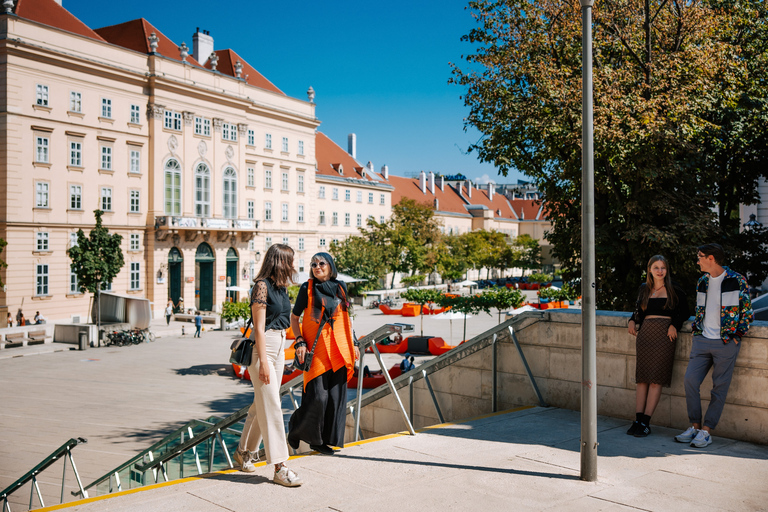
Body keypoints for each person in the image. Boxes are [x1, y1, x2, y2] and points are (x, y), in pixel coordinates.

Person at [233, 243, 302, 487]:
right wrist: (262, 361)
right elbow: (259, 329)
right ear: (280, 261)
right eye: (290, 260)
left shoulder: (281, 288)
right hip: (263, 349)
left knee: (261, 403)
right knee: (272, 404)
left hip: (280, 347)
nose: (293, 265)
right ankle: (280, 467)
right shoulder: (261, 287)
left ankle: (243, 453)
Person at [675, 244, 753, 448]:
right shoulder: (702, 281)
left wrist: (737, 334)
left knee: (719, 389)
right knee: (690, 381)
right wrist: (696, 330)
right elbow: (700, 309)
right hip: (702, 341)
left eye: (700, 257)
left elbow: (747, 311)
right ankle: (695, 427)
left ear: (711, 258)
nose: (697, 261)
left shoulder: (737, 280)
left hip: (726, 342)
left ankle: (707, 431)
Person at [288, 252, 359, 456]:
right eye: (313, 264)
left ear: (330, 266)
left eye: (321, 263)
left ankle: (323, 441)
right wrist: (299, 341)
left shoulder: (341, 287)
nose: (316, 267)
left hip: (340, 348)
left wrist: (353, 342)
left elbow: (347, 317)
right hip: (317, 349)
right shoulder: (307, 288)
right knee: (318, 397)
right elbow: (294, 318)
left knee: (336, 398)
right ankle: (297, 427)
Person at [627, 255, 689, 437]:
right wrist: (632, 320)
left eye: (663, 267)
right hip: (645, 335)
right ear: (650, 270)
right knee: (642, 379)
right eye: (656, 267)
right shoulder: (644, 289)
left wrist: (674, 325)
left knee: (656, 379)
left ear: (667, 270)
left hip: (665, 336)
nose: (660, 271)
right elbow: (639, 312)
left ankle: (646, 422)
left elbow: (685, 311)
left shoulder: (674, 289)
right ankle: (637, 420)